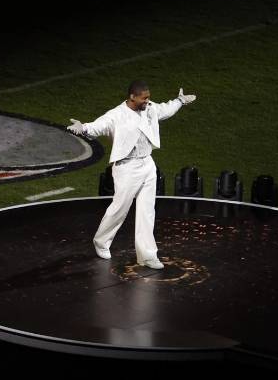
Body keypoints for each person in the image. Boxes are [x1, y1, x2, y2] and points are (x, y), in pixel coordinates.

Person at [68, 81, 196, 269]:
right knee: (120, 208)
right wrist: (83, 128)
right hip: (126, 167)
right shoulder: (116, 115)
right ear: (132, 97)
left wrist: (179, 101)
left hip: (147, 164)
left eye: (149, 97)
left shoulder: (150, 108)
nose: (148, 101)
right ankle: (101, 242)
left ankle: (147, 255)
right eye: (144, 98)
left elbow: (165, 110)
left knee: (147, 211)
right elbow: (98, 126)